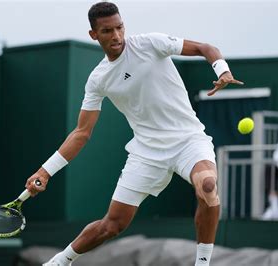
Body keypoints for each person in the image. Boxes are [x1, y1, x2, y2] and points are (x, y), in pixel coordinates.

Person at [26, 2, 243, 266]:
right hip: (146, 152)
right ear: (94, 35)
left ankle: (203, 263)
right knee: (112, 225)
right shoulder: (98, 79)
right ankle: (60, 261)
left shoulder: (150, 43)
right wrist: (45, 171)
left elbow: (204, 48)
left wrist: (222, 69)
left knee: (208, 186)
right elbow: (82, 133)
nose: (116, 36)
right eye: (107, 31)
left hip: (188, 140)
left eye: (119, 27)